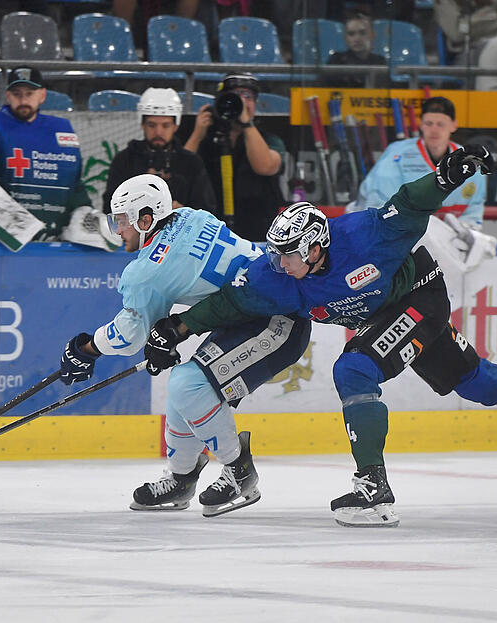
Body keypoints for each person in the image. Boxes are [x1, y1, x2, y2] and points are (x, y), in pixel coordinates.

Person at [143, 145, 497, 528]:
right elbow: (230, 304)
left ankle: (373, 488)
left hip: (419, 294)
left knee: (353, 367)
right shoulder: (278, 275)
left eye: (287, 254)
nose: (277, 262)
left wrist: (447, 176)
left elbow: (409, 203)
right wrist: (177, 328)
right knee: (474, 381)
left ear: (314, 246)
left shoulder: (365, 236)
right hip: (386, 313)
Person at [57, 173, 310, 517]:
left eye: (122, 222)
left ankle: (239, 472)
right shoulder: (193, 215)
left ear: (146, 220)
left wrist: (86, 350)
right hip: (257, 310)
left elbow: (131, 334)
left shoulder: (145, 272)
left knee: (188, 384)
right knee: (185, 386)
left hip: (276, 321)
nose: (118, 231)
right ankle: (181, 478)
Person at [0, 67, 90, 242]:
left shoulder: (61, 129)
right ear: (8, 96)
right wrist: (20, 229)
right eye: (17, 94)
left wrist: (86, 214)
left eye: (29, 93)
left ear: (42, 95)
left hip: (50, 245)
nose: (23, 100)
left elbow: (73, 184)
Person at [356, 96, 487, 230]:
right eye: (429, 123)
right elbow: (378, 208)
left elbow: (472, 216)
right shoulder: (396, 156)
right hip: (390, 234)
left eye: (441, 124)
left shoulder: (469, 162)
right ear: (421, 124)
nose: (434, 130)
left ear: (454, 125)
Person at [184, 73, 285, 242]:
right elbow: (181, 171)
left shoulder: (268, 140)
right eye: (236, 96)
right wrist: (197, 135)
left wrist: (246, 124)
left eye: (248, 97)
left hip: (257, 233)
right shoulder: (206, 139)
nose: (243, 102)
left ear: (255, 104)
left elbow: (265, 166)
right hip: (209, 234)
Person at [102, 87, 216, 215]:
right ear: (142, 125)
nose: (158, 132)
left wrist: (184, 213)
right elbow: (109, 208)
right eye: (152, 125)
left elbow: (207, 212)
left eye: (165, 125)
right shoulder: (124, 160)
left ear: (176, 126)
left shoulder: (192, 163)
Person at [433, 0, 497, 67]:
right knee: (495, 50)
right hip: (467, 53)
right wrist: (495, 19)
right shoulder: (444, 2)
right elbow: (457, 34)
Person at [324, 12, 387, 88]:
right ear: (345, 38)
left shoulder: (379, 61)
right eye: (351, 34)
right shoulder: (336, 61)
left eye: (362, 33)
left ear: (373, 35)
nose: (357, 39)